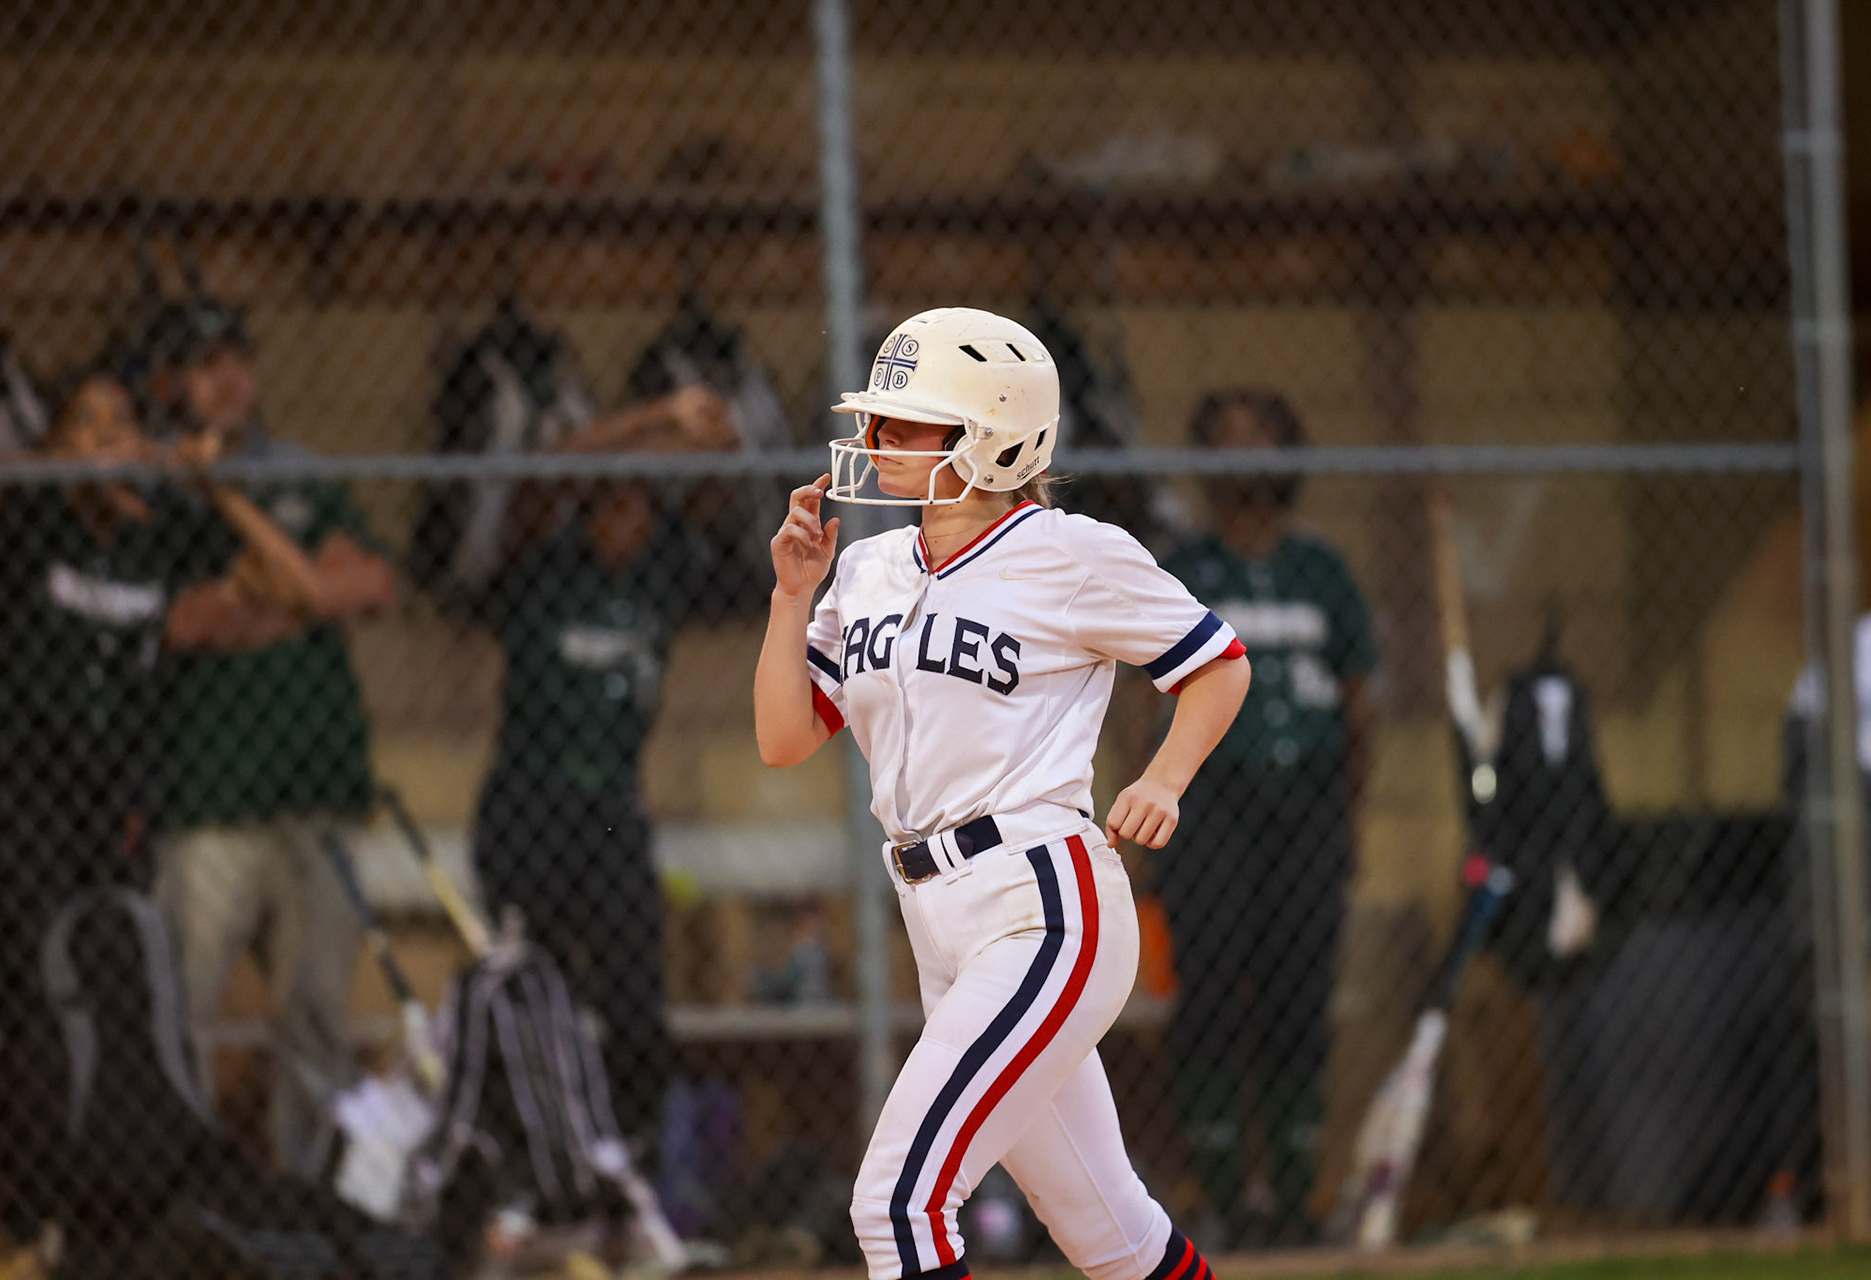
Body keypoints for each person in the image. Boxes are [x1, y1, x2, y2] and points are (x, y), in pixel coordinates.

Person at [754, 308, 1252, 1280]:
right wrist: (790, 595)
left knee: (897, 1203)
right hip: (937, 918)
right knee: (1113, 1233)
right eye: (880, 419)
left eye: (908, 421)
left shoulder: (1070, 551)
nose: (877, 437)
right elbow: (784, 738)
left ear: (992, 435)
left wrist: (1165, 776)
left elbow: (1218, 663)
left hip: (1041, 902)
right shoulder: (869, 566)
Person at [0, 371, 310, 1241]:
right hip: (29, 781)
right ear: (56, 444)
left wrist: (210, 488)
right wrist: (72, 467)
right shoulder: (35, 517)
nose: (109, 436)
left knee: (117, 976)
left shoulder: (159, 532)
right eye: (88, 423)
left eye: (122, 422)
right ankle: (38, 1221)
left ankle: (112, 1210)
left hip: (116, 785)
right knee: (38, 984)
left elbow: (294, 588)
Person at [145, 298, 398, 1178]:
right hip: (210, 790)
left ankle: (304, 1184)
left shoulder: (300, 473)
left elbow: (366, 586)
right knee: (185, 999)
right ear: (171, 383)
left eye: (237, 360)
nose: (227, 381)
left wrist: (266, 598)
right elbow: (180, 622)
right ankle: (175, 1187)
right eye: (204, 365)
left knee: (316, 1002)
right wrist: (296, 597)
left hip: (317, 780)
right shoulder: (158, 487)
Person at [474, 384, 733, 1142]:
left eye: (637, 510)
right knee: (537, 992)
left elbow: (723, 467)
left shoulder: (659, 570)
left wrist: (692, 434)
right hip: (529, 804)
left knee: (635, 1000)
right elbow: (539, 475)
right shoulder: (543, 568)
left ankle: (632, 1158)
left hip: (613, 808)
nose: (626, 526)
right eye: (610, 509)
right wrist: (656, 416)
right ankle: (536, 1154)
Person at [1154, 389, 1377, 1246]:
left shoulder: (1322, 570)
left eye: (1262, 437)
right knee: (1210, 992)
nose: (1245, 452)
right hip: (1210, 805)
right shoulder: (1182, 569)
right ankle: (1219, 1199)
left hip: (1309, 805)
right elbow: (1145, 698)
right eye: (1227, 439)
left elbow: (1360, 703)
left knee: (1300, 995)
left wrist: (1346, 815)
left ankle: (1292, 1199)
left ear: (1290, 453)